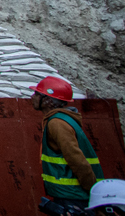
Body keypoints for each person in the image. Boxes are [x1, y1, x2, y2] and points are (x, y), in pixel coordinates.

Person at [31, 75, 104, 208]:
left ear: (48, 100)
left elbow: (77, 160)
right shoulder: (62, 120)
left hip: (74, 195)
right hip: (72, 194)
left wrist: (93, 191)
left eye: (37, 93)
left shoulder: (57, 124)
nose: (32, 97)